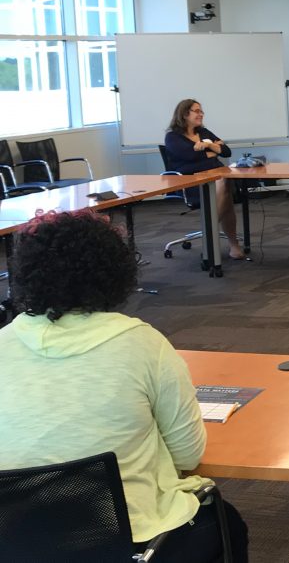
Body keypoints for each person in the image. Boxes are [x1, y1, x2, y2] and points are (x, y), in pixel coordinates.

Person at [0, 211, 249, 561]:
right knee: (228, 523)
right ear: (115, 272)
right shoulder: (142, 344)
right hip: (129, 543)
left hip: (17, 540)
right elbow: (188, 455)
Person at [163, 99, 241, 260]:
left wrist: (208, 146)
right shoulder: (172, 137)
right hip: (192, 184)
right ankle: (222, 241)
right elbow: (190, 156)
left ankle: (215, 237)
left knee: (224, 184)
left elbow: (226, 151)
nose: (201, 114)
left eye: (201, 111)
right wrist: (214, 149)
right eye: (197, 111)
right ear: (185, 114)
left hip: (216, 178)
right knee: (224, 188)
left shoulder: (204, 132)